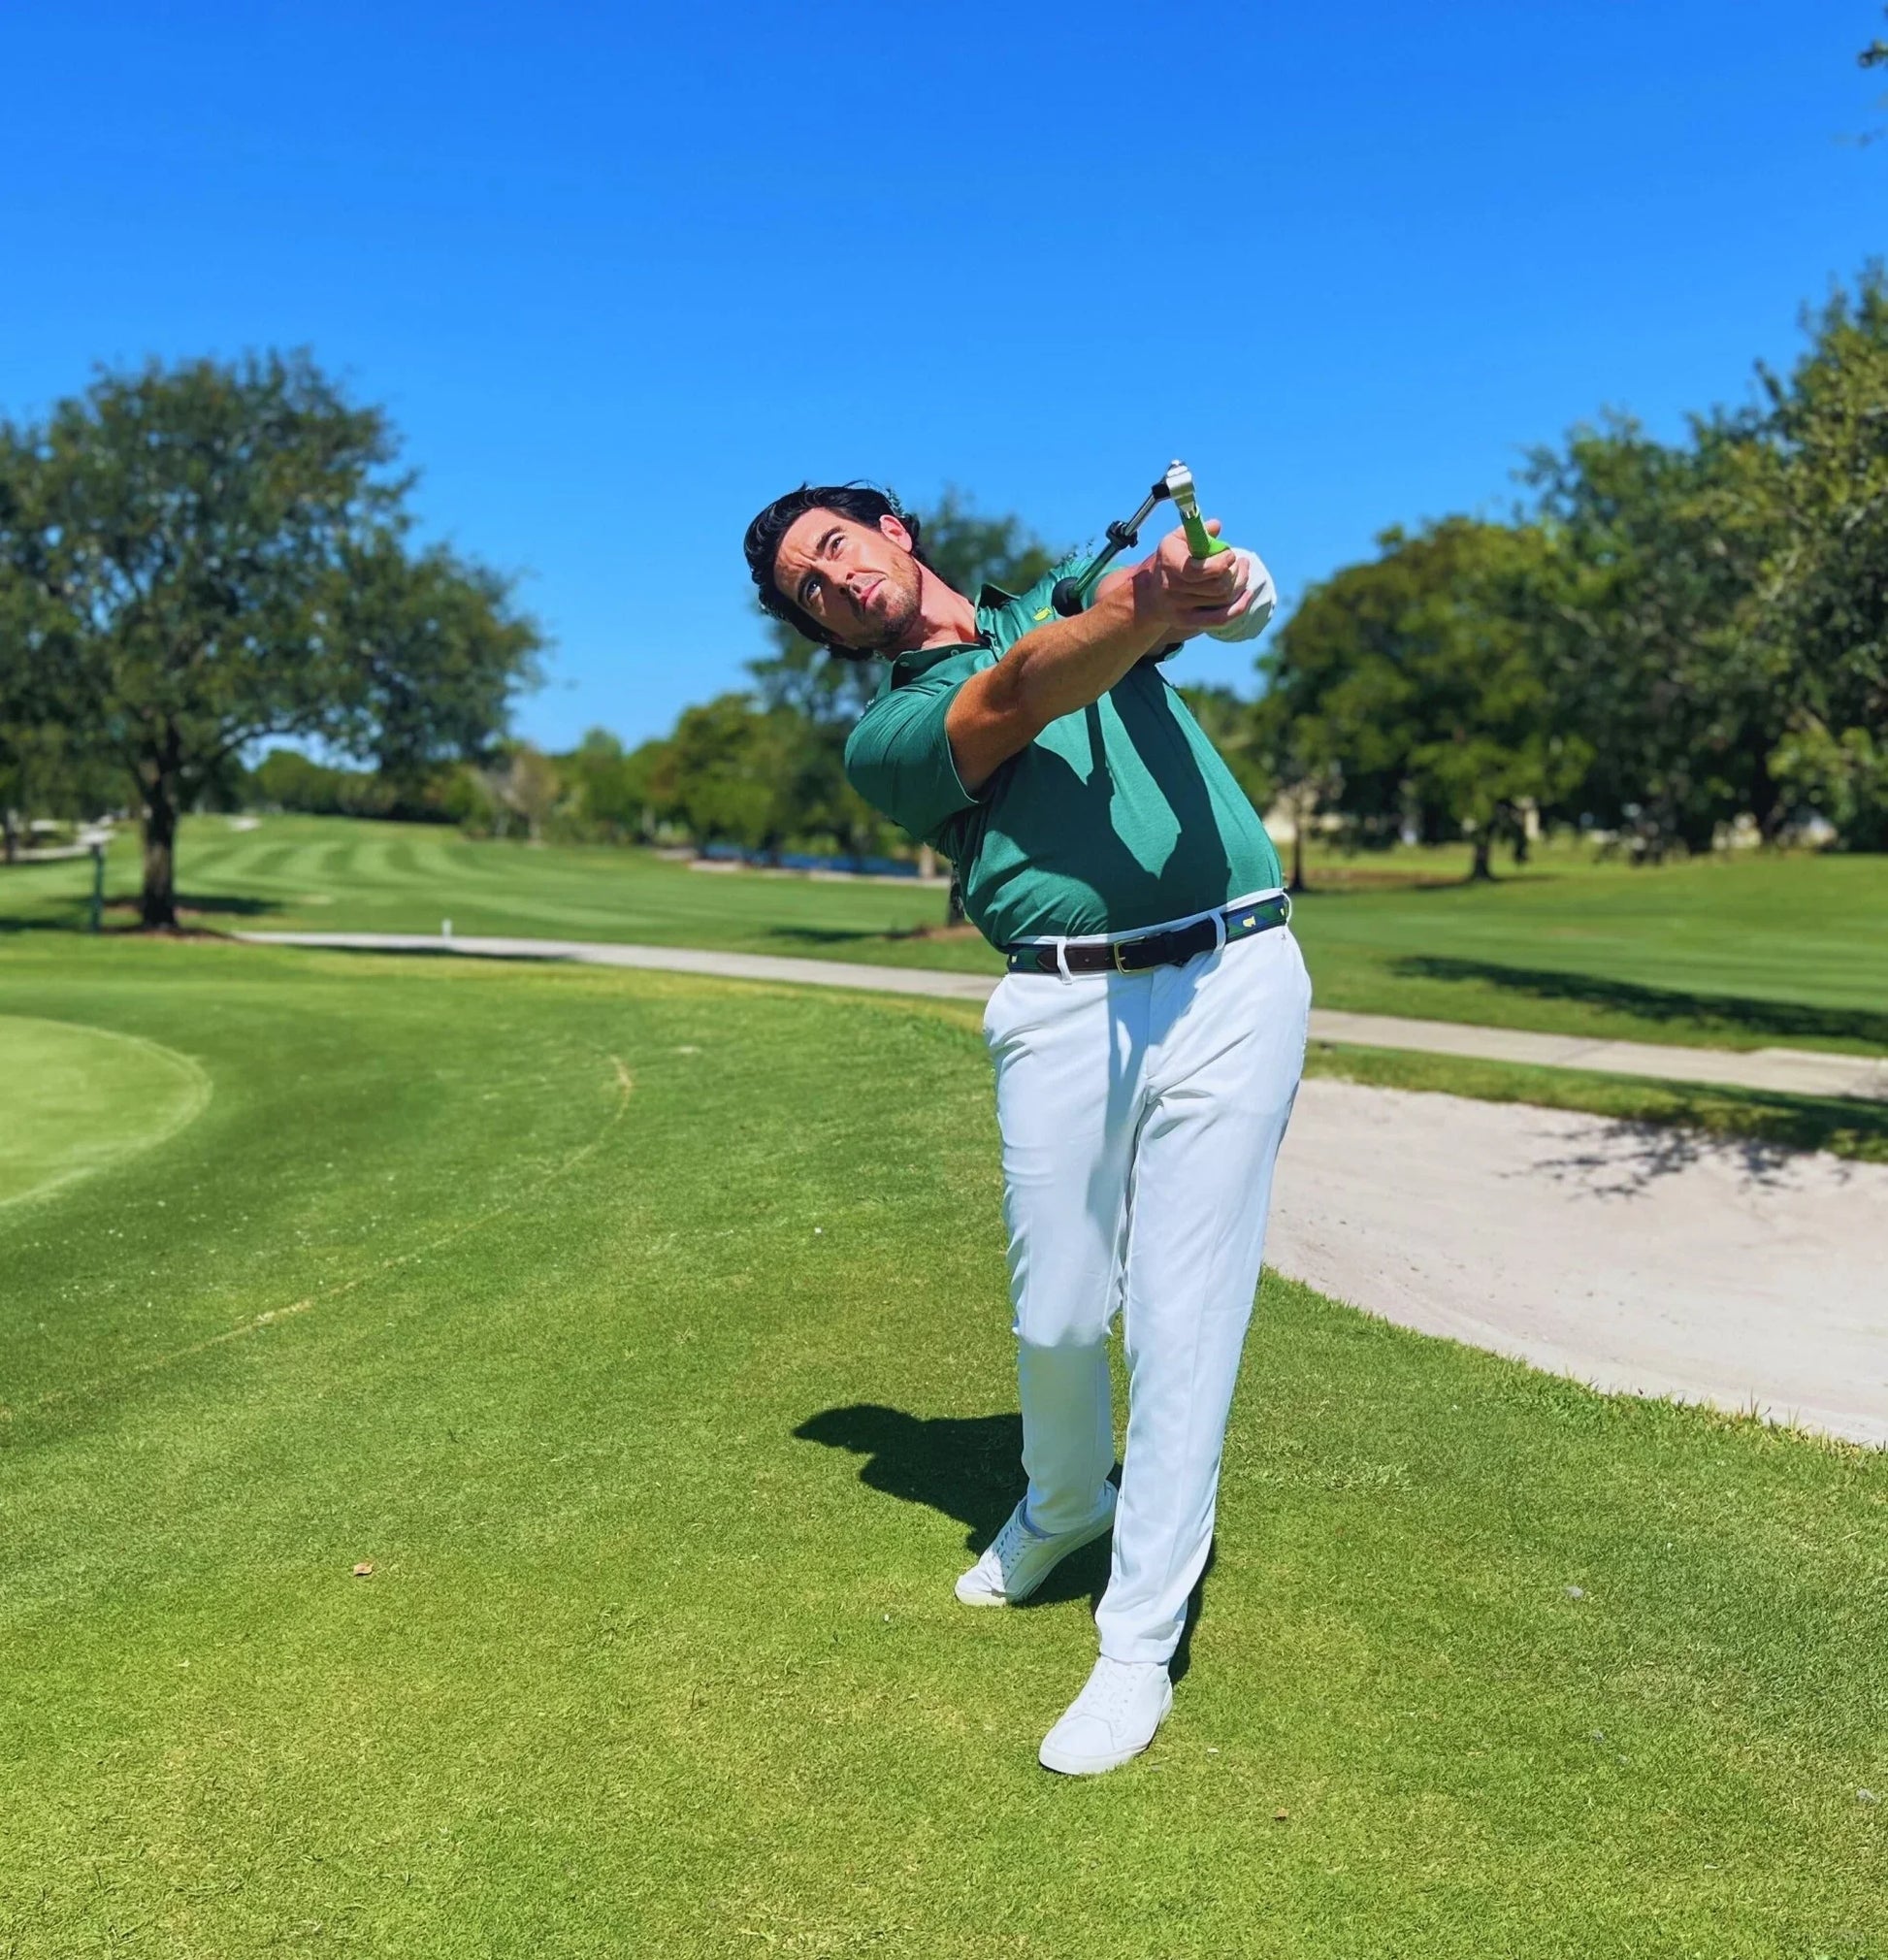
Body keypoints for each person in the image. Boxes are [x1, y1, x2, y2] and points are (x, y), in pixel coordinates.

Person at [743, 480, 1312, 1776]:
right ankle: (1062, 1503)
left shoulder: (1057, 597)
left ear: (892, 529)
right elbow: (1023, 695)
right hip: (1059, 1004)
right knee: (1057, 1311)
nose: (831, 584)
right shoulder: (890, 734)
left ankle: (1133, 1649)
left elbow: (1182, 605)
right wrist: (1132, 607)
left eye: (834, 549)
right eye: (806, 594)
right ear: (820, 632)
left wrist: (1218, 585)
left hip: (1235, 974)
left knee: (1182, 1318)